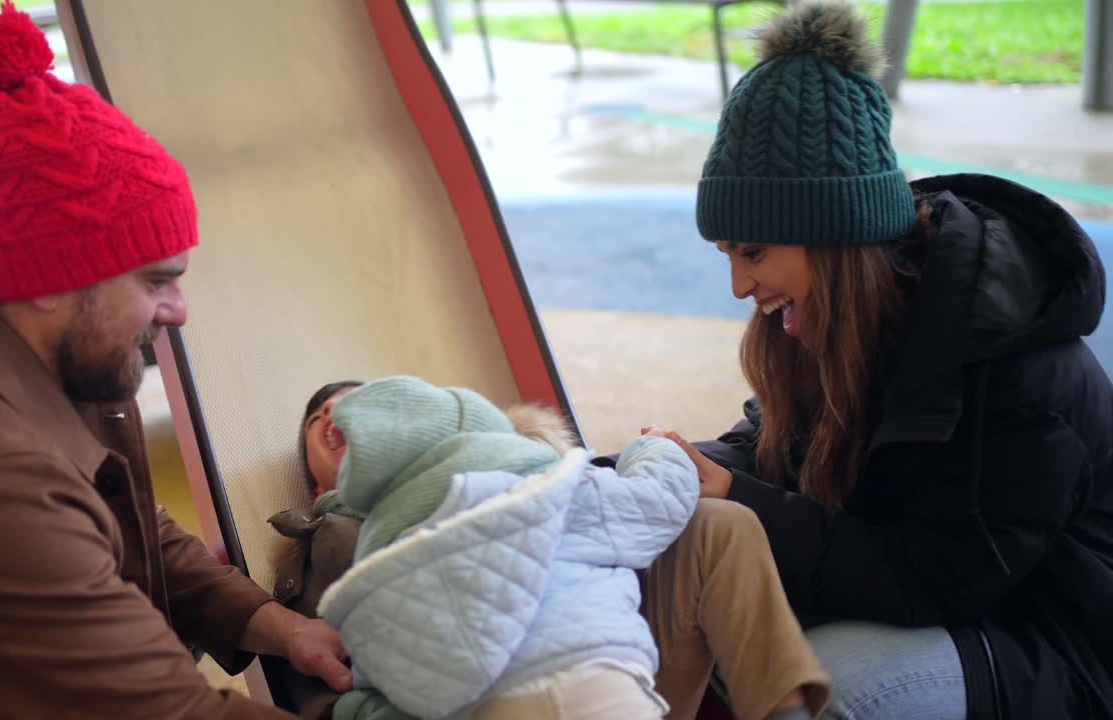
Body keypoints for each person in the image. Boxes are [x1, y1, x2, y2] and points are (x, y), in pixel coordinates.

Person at [0, 5, 347, 718]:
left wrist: (276, 625)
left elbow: (126, 517)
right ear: (49, 280)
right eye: (155, 281)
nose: (179, 311)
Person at [646, 2, 1113, 718]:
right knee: (702, 578)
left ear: (829, 237)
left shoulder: (1017, 368)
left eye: (752, 252)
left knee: (831, 689)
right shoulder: (832, 322)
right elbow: (770, 451)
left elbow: (939, 579)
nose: (739, 285)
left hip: (1049, 639)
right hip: (943, 605)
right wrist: (677, 470)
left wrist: (739, 498)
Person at [276, 377, 830, 720]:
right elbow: (342, 685)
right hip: (481, 698)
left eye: (361, 413)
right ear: (319, 486)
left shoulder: (509, 475)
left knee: (718, 524)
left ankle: (781, 709)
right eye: (320, 422)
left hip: (611, 652)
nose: (338, 419)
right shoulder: (338, 540)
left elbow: (635, 508)